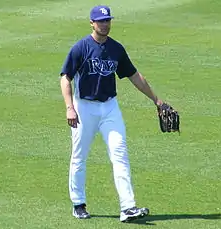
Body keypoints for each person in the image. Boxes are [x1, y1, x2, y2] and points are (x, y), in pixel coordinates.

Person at [59, 5, 163, 223]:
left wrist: (157, 100)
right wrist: (69, 107)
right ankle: (78, 203)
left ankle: (128, 207)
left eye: (107, 20)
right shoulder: (81, 48)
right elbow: (65, 78)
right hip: (84, 108)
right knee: (79, 156)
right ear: (92, 23)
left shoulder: (116, 48)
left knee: (120, 153)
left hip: (109, 108)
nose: (105, 24)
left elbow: (135, 76)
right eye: (101, 21)